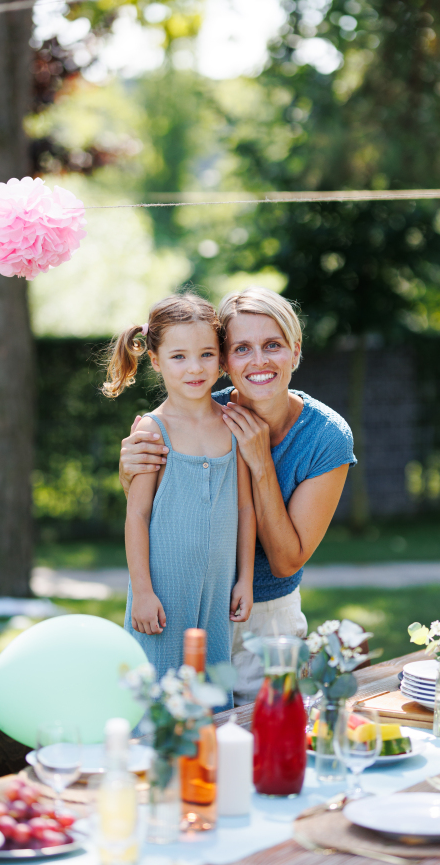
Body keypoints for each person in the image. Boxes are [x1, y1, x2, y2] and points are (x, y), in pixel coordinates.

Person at [119, 287, 355, 705]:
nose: (259, 361)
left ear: (295, 350)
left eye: (273, 345)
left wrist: (260, 460)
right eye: (242, 348)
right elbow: (154, 508)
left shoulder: (325, 437)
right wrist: (130, 471)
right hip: (183, 603)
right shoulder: (199, 415)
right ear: (227, 359)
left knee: (256, 742)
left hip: (259, 616)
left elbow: (285, 560)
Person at [103, 293, 255, 702]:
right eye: (179, 357)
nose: (195, 368)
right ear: (155, 360)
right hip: (163, 593)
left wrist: (244, 578)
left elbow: (244, 507)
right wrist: (143, 591)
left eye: (207, 354)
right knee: (159, 694)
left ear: (221, 357)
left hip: (218, 589)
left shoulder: (232, 423)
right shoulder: (153, 431)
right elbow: (137, 516)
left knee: (210, 690)